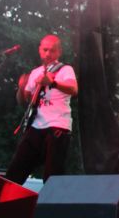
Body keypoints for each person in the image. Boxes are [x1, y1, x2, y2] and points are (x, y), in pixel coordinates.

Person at [6, 34, 78, 184]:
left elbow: (73, 89)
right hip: (36, 125)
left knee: (52, 176)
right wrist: (21, 88)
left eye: (52, 50)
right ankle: (6, 197)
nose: (48, 54)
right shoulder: (35, 72)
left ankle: (51, 198)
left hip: (58, 126)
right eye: (45, 50)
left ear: (59, 52)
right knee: (15, 172)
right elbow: (24, 100)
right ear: (40, 50)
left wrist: (53, 83)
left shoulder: (65, 69)